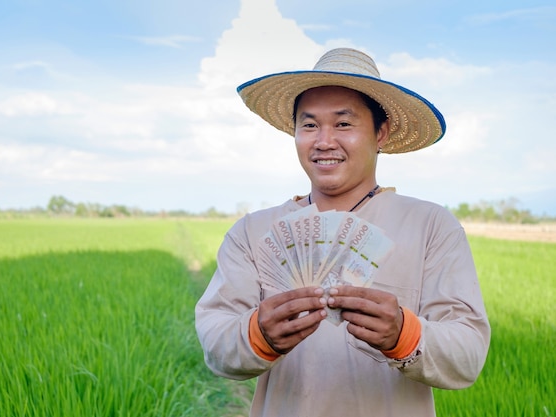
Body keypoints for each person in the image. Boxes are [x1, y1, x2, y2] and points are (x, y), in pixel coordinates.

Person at [195, 48, 490, 417]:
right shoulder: (252, 233)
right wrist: (258, 334)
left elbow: (468, 355)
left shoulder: (431, 226)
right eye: (309, 124)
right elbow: (215, 344)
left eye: (344, 124)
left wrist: (404, 333)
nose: (323, 141)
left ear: (380, 132)